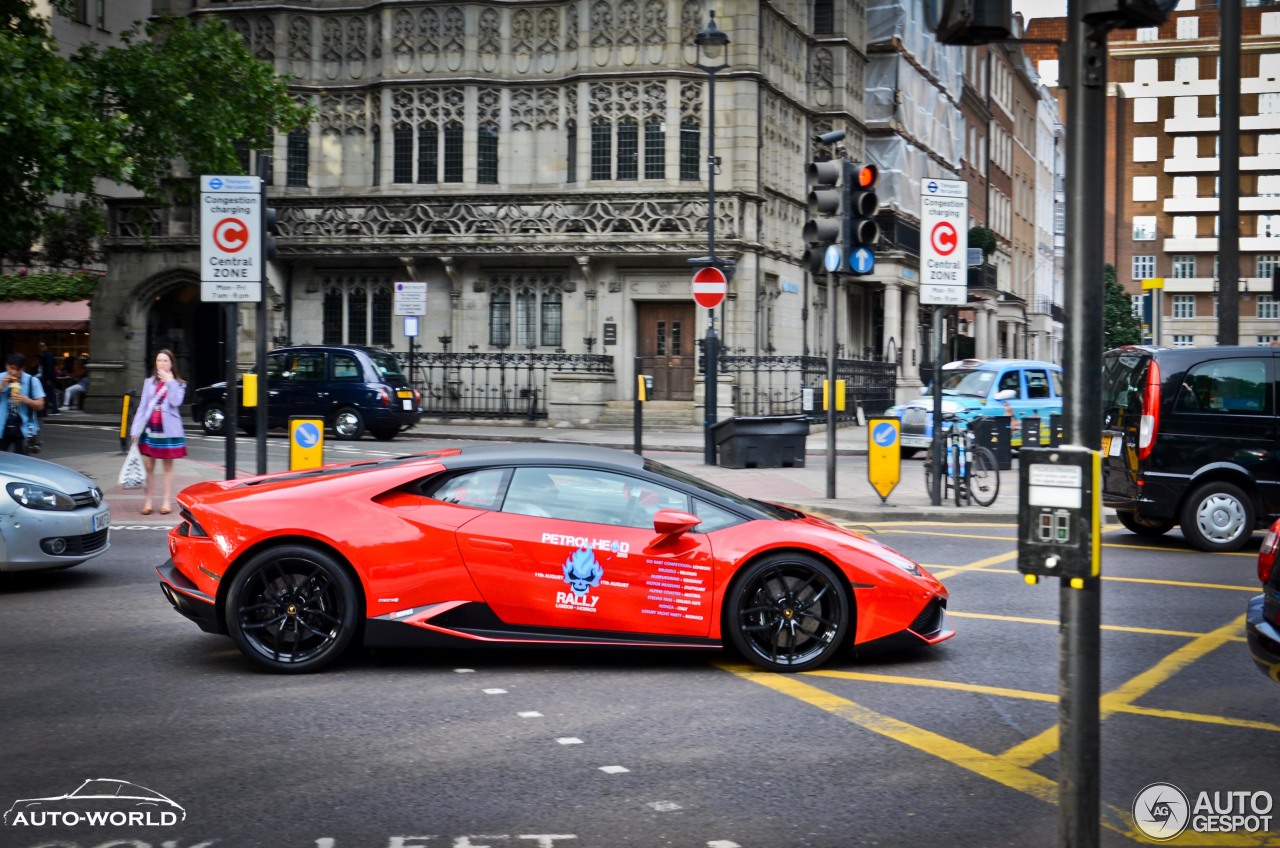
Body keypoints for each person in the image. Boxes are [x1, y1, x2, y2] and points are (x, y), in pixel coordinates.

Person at [129, 349, 187, 515]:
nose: (161, 363)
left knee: (167, 468)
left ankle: (166, 502)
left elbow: (176, 401)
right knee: (148, 466)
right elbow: (142, 407)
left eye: (165, 361)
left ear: (171, 364)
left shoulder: (179, 383)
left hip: (168, 430)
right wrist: (135, 429)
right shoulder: (149, 382)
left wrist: (170, 383)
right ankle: (148, 501)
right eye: (159, 360)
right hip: (149, 428)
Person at [0, 352, 46, 454]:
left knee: (22, 462)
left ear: (22, 369)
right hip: (2, 427)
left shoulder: (32, 381)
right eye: (9, 367)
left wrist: (26, 400)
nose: (11, 371)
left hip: (23, 428)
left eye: (14, 369)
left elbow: (40, 405)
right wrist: (2, 386)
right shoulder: (1, 378)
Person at [36, 341, 59, 415]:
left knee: (49, 393)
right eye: (40, 346)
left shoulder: (48, 355)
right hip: (46, 378)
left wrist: (48, 379)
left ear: (46, 347)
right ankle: (51, 409)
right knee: (49, 393)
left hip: (48, 378)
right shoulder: (45, 355)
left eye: (42, 346)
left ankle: (50, 409)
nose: (41, 348)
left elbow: (49, 367)